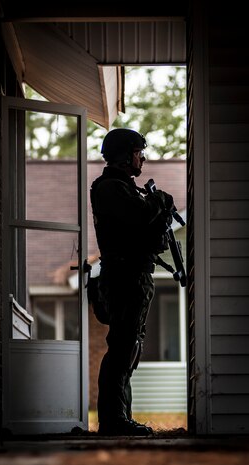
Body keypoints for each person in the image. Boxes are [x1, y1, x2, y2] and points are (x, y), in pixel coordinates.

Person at [90, 128, 174, 436]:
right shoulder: (111, 188)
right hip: (124, 276)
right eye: (139, 152)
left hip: (134, 275)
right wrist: (161, 201)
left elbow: (149, 233)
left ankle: (120, 417)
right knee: (123, 348)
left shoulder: (123, 188)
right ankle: (114, 421)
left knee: (129, 348)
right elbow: (139, 217)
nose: (143, 158)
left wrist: (158, 212)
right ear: (126, 156)